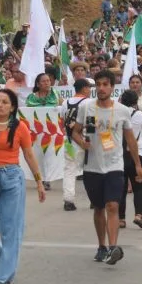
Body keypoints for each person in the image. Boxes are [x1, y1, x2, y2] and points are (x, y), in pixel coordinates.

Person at [71, 70, 142, 265]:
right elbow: (75, 132)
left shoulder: (122, 110)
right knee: (98, 208)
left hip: (115, 165)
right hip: (92, 167)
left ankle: (113, 248)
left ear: (112, 87)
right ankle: (101, 246)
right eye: (99, 84)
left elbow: (130, 139)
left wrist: (138, 165)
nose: (102, 88)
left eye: (105, 84)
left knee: (113, 205)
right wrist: (82, 143)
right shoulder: (86, 107)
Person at [0, 89, 47, 284]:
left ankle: (4, 276)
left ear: (12, 107)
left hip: (11, 179)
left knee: (10, 230)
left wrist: (39, 181)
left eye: (4, 102)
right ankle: (1, 264)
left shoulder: (20, 127)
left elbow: (29, 155)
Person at [118, 89, 142, 229]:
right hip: (136, 154)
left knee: (122, 188)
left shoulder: (117, 113)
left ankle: (121, 219)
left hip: (120, 155)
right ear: (135, 101)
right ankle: (138, 215)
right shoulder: (138, 114)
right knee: (139, 187)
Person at [59, 78, 92, 211]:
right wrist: (89, 141)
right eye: (89, 88)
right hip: (84, 140)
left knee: (69, 169)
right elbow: (91, 122)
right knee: (90, 170)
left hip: (69, 141)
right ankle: (94, 200)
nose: (90, 90)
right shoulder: (89, 102)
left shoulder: (65, 102)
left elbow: (61, 121)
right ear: (84, 88)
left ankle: (68, 200)